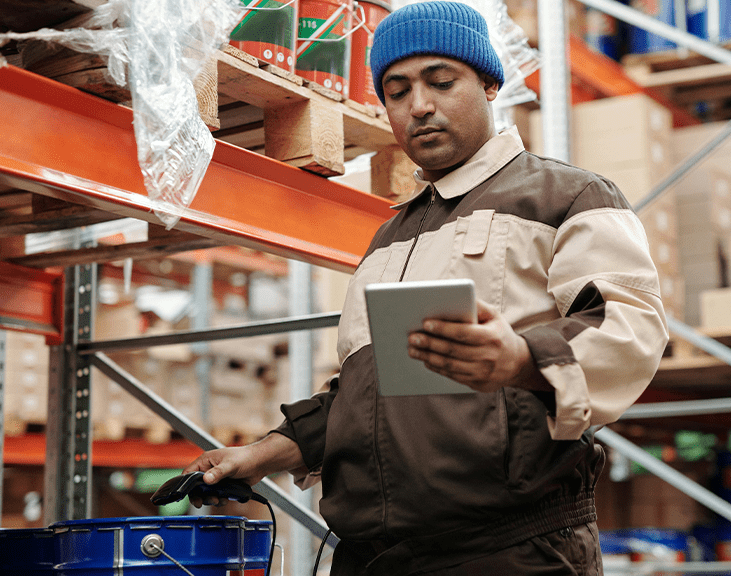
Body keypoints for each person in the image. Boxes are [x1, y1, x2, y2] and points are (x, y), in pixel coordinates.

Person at [183, 2, 668, 574]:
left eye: (442, 81)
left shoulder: (568, 197)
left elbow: (628, 329)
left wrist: (520, 357)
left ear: (489, 84)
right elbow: (369, 388)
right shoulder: (390, 237)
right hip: (374, 558)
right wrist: (267, 452)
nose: (420, 106)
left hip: (509, 554)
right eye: (396, 91)